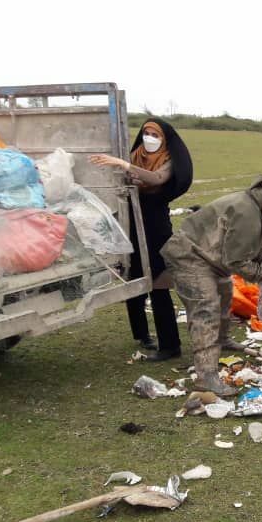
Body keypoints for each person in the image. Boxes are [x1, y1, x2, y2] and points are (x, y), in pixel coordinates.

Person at [160, 177, 262, 396]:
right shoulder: (248, 213)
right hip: (190, 256)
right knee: (206, 308)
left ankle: (221, 340)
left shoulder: (258, 210)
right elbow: (237, 262)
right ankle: (207, 377)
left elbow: (248, 247)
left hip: (211, 257)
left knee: (224, 295)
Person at [89, 119, 192, 361]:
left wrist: (124, 165)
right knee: (133, 278)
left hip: (156, 225)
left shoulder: (167, 159)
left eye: (154, 134)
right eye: (146, 132)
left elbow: (156, 179)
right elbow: (133, 180)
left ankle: (170, 345)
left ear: (164, 138)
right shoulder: (138, 154)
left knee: (158, 283)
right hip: (131, 223)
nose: (149, 137)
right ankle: (142, 335)